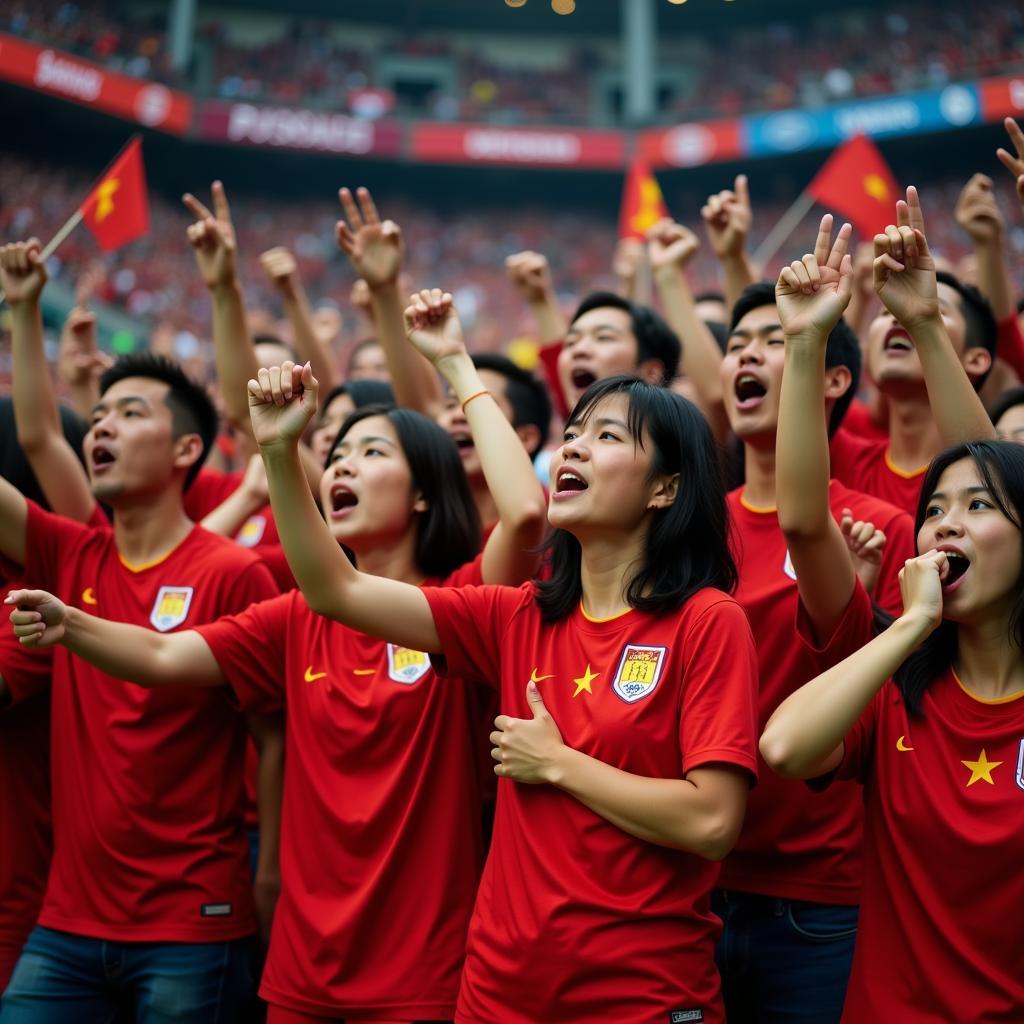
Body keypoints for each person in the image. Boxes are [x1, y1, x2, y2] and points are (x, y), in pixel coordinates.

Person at [8, 290, 546, 1023]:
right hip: (300, 975)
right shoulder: (297, 616)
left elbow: (524, 514)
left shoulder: (466, 610)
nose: (345, 467)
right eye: (340, 454)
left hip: (425, 975)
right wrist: (72, 624)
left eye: (373, 451)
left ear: (425, 494)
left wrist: (454, 362)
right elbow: (167, 660)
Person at [245, 316, 759, 1022]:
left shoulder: (706, 621)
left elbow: (711, 822)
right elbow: (337, 591)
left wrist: (557, 764)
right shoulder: (515, 616)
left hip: (639, 992)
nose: (575, 443)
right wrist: (278, 451)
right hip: (499, 993)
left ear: (665, 489)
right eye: (573, 432)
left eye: (608, 435)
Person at [0, 241, 279, 1022]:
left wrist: (271, 874)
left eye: (130, 413)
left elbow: (272, 740)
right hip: (66, 924)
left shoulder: (233, 571)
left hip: (191, 921)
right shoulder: (68, 550)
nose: (103, 428)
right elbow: (34, 437)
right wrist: (24, 308)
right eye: (97, 417)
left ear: (189, 449)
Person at [711, 217, 908, 1023]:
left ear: (830, 379)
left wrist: (806, 336)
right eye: (737, 342)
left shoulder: (879, 529)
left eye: (776, 339)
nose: (749, 354)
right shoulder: (685, 530)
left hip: (819, 905)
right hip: (691, 886)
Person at [760, 439, 1022, 1022]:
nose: (945, 527)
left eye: (978, 506)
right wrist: (911, 626)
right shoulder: (894, 685)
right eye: (932, 512)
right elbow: (783, 748)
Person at [829, 188, 997, 514]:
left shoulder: (1000, 469)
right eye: (883, 312)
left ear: (975, 359)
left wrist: (924, 321)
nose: (898, 315)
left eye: (939, 309)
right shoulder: (839, 458)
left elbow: (988, 480)